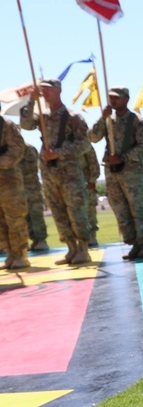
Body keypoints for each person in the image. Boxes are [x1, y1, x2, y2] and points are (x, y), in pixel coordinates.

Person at [20, 78, 92, 265]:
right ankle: (71, 248)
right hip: (49, 172)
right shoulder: (42, 116)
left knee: (76, 210)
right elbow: (26, 124)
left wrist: (59, 153)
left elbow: (84, 144)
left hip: (69, 172)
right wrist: (31, 101)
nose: (44, 93)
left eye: (47, 89)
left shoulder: (73, 117)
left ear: (58, 90)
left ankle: (83, 248)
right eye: (41, 90)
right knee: (58, 211)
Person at [87, 87, 143, 261]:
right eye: (110, 98)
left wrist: (124, 157)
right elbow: (92, 137)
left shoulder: (137, 121)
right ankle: (133, 243)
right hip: (112, 172)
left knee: (138, 208)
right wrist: (102, 118)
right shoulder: (108, 120)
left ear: (126, 99)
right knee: (120, 208)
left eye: (116, 98)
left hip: (131, 172)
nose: (113, 101)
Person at [0, 113, 29, 269]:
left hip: (8, 178)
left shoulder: (7, 125)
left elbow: (17, 149)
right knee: (1, 221)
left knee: (15, 218)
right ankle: (10, 253)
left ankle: (20, 254)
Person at [21, 144, 48, 251]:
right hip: (14, 188)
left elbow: (31, 167)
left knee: (35, 215)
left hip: (31, 187)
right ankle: (30, 240)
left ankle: (40, 240)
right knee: (22, 218)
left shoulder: (28, 148)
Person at [80, 141, 100, 247]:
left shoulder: (83, 143)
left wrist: (92, 180)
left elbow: (93, 163)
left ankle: (92, 236)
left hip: (86, 181)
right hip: (70, 181)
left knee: (90, 210)